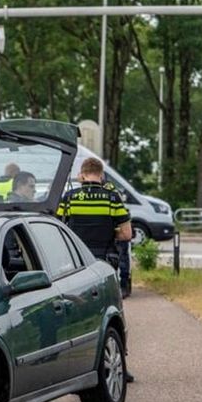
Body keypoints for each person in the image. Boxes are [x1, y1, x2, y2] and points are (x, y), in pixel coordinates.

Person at [57, 157, 134, 382]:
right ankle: (118, 364)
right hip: (103, 263)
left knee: (75, 312)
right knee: (112, 313)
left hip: (74, 264)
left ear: (82, 175)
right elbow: (127, 234)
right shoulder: (112, 198)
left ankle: (72, 367)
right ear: (101, 175)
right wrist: (110, 235)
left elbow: (58, 228)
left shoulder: (69, 198)